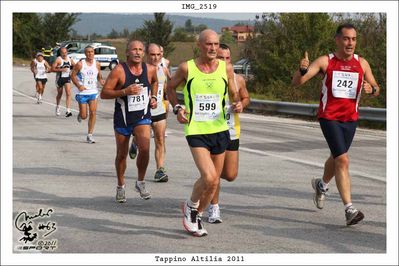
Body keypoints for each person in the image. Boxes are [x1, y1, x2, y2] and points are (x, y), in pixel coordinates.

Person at [291, 23, 380, 226]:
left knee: (337, 158)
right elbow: (298, 82)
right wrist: (301, 69)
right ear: (337, 40)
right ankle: (349, 209)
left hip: (350, 119)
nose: (351, 43)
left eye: (354, 39)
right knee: (343, 160)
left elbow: (376, 87)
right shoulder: (325, 61)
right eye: (347, 38)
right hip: (329, 117)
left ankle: (321, 184)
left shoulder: (362, 63)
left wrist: (371, 89)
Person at [167, 29, 242, 237]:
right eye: (209, 44)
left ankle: (197, 214)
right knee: (208, 176)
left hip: (220, 129)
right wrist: (177, 108)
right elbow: (170, 88)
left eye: (216, 44)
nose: (213, 48)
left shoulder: (225, 68)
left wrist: (237, 103)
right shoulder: (187, 68)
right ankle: (192, 208)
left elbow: (234, 92)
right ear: (199, 45)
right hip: (196, 129)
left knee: (214, 182)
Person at [101, 40, 158, 203]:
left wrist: (153, 97)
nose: (138, 52)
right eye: (134, 49)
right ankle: (120, 185)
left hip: (142, 116)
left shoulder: (150, 69)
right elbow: (104, 93)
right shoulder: (119, 70)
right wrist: (125, 91)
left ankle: (140, 182)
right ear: (127, 52)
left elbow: (155, 82)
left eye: (141, 49)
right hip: (123, 118)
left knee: (145, 148)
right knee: (121, 154)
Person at [207, 43, 250, 224]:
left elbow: (246, 97)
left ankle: (206, 178)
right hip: (211, 129)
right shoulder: (207, 77)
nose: (224, 62)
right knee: (214, 173)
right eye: (220, 58)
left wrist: (242, 104)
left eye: (227, 58)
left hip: (232, 129)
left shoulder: (238, 79)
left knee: (231, 174)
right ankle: (214, 208)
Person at [146, 43, 170, 182]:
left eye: (158, 55)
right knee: (142, 141)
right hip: (142, 112)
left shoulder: (164, 70)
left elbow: (168, 87)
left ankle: (160, 169)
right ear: (147, 55)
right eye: (152, 55)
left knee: (160, 140)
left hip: (159, 110)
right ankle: (135, 142)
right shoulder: (140, 70)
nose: (155, 57)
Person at [71, 46, 105, 144]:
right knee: (84, 115)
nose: (90, 54)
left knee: (93, 112)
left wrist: (101, 81)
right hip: (82, 93)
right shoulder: (80, 64)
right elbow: (72, 75)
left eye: (92, 52)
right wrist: (78, 85)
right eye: (88, 52)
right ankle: (81, 115)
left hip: (93, 92)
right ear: (85, 54)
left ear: (94, 53)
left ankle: (90, 135)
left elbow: (99, 76)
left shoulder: (97, 64)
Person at [52, 47, 75, 117]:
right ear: (60, 53)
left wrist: (72, 71)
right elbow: (52, 68)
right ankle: (58, 106)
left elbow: (76, 66)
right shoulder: (58, 59)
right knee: (60, 94)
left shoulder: (70, 59)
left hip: (67, 78)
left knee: (68, 93)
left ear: (67, 52)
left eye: (65, 52)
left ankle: (68, 110)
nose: (64, 54)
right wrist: (61, 70)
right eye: (62, 53)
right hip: (59, 79)